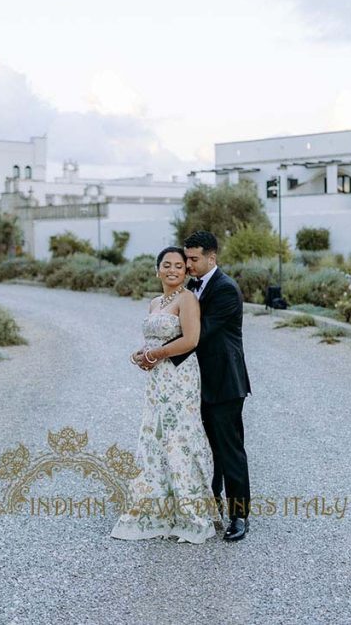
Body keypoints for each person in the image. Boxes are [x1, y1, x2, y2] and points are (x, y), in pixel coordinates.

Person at [110, 246, 220, 544]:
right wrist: (141, 354)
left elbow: (190, 339)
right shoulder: (154, 302)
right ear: (157, 269)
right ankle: (157, 507)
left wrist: (155, 353)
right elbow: (151, 339)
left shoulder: (187, 300)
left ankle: (190, 511)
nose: (173, 270)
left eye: (179, 266)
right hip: (158, 379)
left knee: (179, 435)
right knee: (155, 435)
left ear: (186, 272)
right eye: (167, 265)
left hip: (180, 376)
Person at [175, 230, 252, 542]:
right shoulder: (194, 286)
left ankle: (240, 515)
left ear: (212, 258)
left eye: (194, 259)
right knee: (206, 450)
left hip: (225, 384)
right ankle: (213, 503)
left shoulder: (225, 290)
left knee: (228, 449)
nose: (189, 264)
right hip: (200, 383)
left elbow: (199, 334)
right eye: (187, 258)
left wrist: (159, 353)